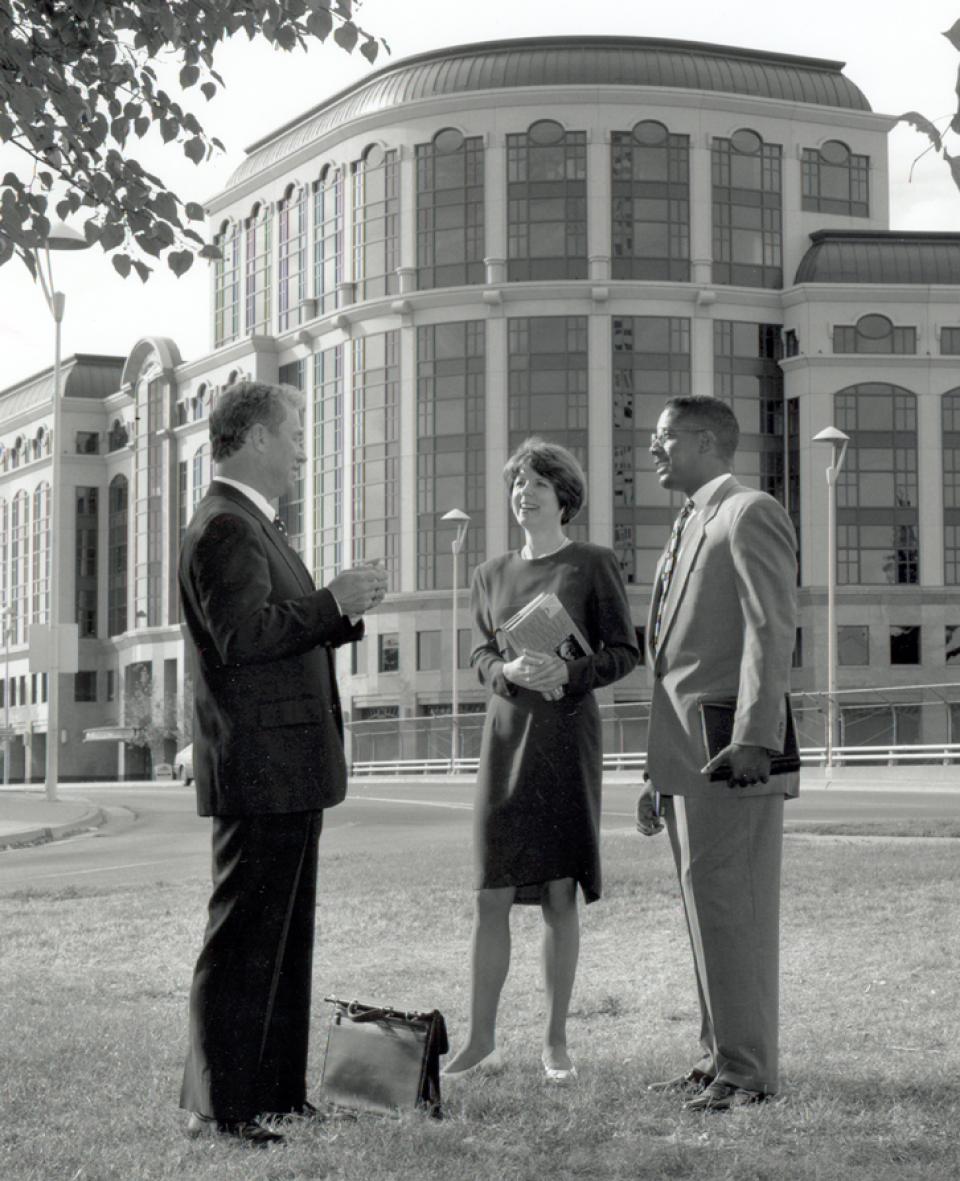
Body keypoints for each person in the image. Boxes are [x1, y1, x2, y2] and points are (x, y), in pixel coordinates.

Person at [178, 380, 387, 1146]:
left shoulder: (253, 523)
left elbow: (275, 630)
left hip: (287, 768)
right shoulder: (224, 527)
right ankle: (222, 1107)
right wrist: (331, 600)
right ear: (257, 437)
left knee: (283, 940)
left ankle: (274, 1094)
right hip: (261, 770)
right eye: (295, 431)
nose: (303, 447)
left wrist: (341, 608)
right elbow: (245, 637)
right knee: (243, 941)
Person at [443, 437, 639, 1083]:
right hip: (505, 739)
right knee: (490, 893)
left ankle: (555, 1042)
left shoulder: (592, 563)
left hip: (564, 738)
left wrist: (569, 668)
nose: (524, 493)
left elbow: (623, 652)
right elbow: (478, 654)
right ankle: (480, 1040)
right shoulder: (488, 573)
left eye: (537, 484)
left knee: (560, 891)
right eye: (517, 484)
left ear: (564, 497)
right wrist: (505, 669)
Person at [637, 395, 798, 1112]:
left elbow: (771, 631)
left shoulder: (748, 512)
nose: (653, 450)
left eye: (665, 438)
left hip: (732, 758)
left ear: (704, 440)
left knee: (733, 913)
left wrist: (757, 737)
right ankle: (718, 1057)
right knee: (709, 913)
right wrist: (654, 774)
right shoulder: (690, 522)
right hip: (686, 764)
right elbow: (674, 660)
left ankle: (748, 1071)